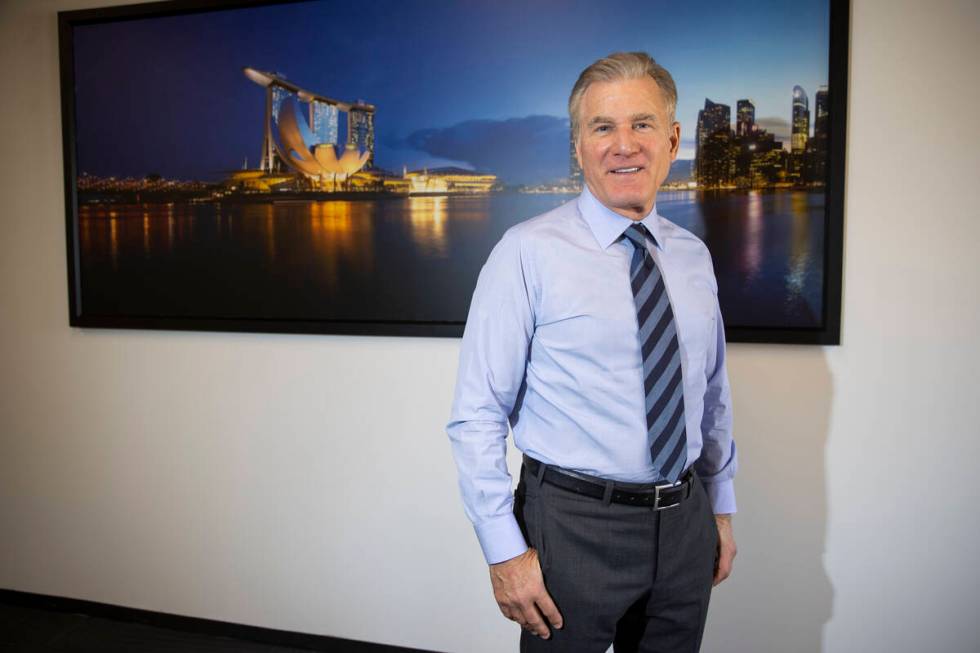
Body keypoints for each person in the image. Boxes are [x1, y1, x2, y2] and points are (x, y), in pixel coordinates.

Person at [447, 52, 737, 652]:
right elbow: (476, 414)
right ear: (577, 146)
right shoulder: (526, 252)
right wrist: (504, 550)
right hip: (572, 529)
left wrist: (720, 508)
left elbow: (711, 395)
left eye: (643, 124)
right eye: (602, 127)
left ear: (674, 138)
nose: (623, 145)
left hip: (685, 522)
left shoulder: (692, 257)